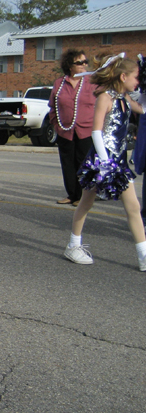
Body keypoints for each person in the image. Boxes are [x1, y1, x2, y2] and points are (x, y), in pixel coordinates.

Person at [64, 54, 146, 271]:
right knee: (86, 203)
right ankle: (73, 246)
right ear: (123, 76)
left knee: (134, 207)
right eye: (136, 77)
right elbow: (97, 132)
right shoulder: (105, 98)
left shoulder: (125, 99)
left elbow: (144, 109)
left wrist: (144, 90)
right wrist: (105, 163)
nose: (137, 81)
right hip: (101, 161)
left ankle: (143, 255)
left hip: (118, 162)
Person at [49, 49, 96, 206]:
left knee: (84, 163)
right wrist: (56, 124)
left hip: (86, 131)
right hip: (65, 131)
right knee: (68, 164)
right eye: (79, 62)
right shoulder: (59, 83)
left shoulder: (92, 82)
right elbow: (53, 106)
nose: (84, 65)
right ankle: (72, 194)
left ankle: (83, 197)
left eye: (85, 62)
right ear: (70, 65)